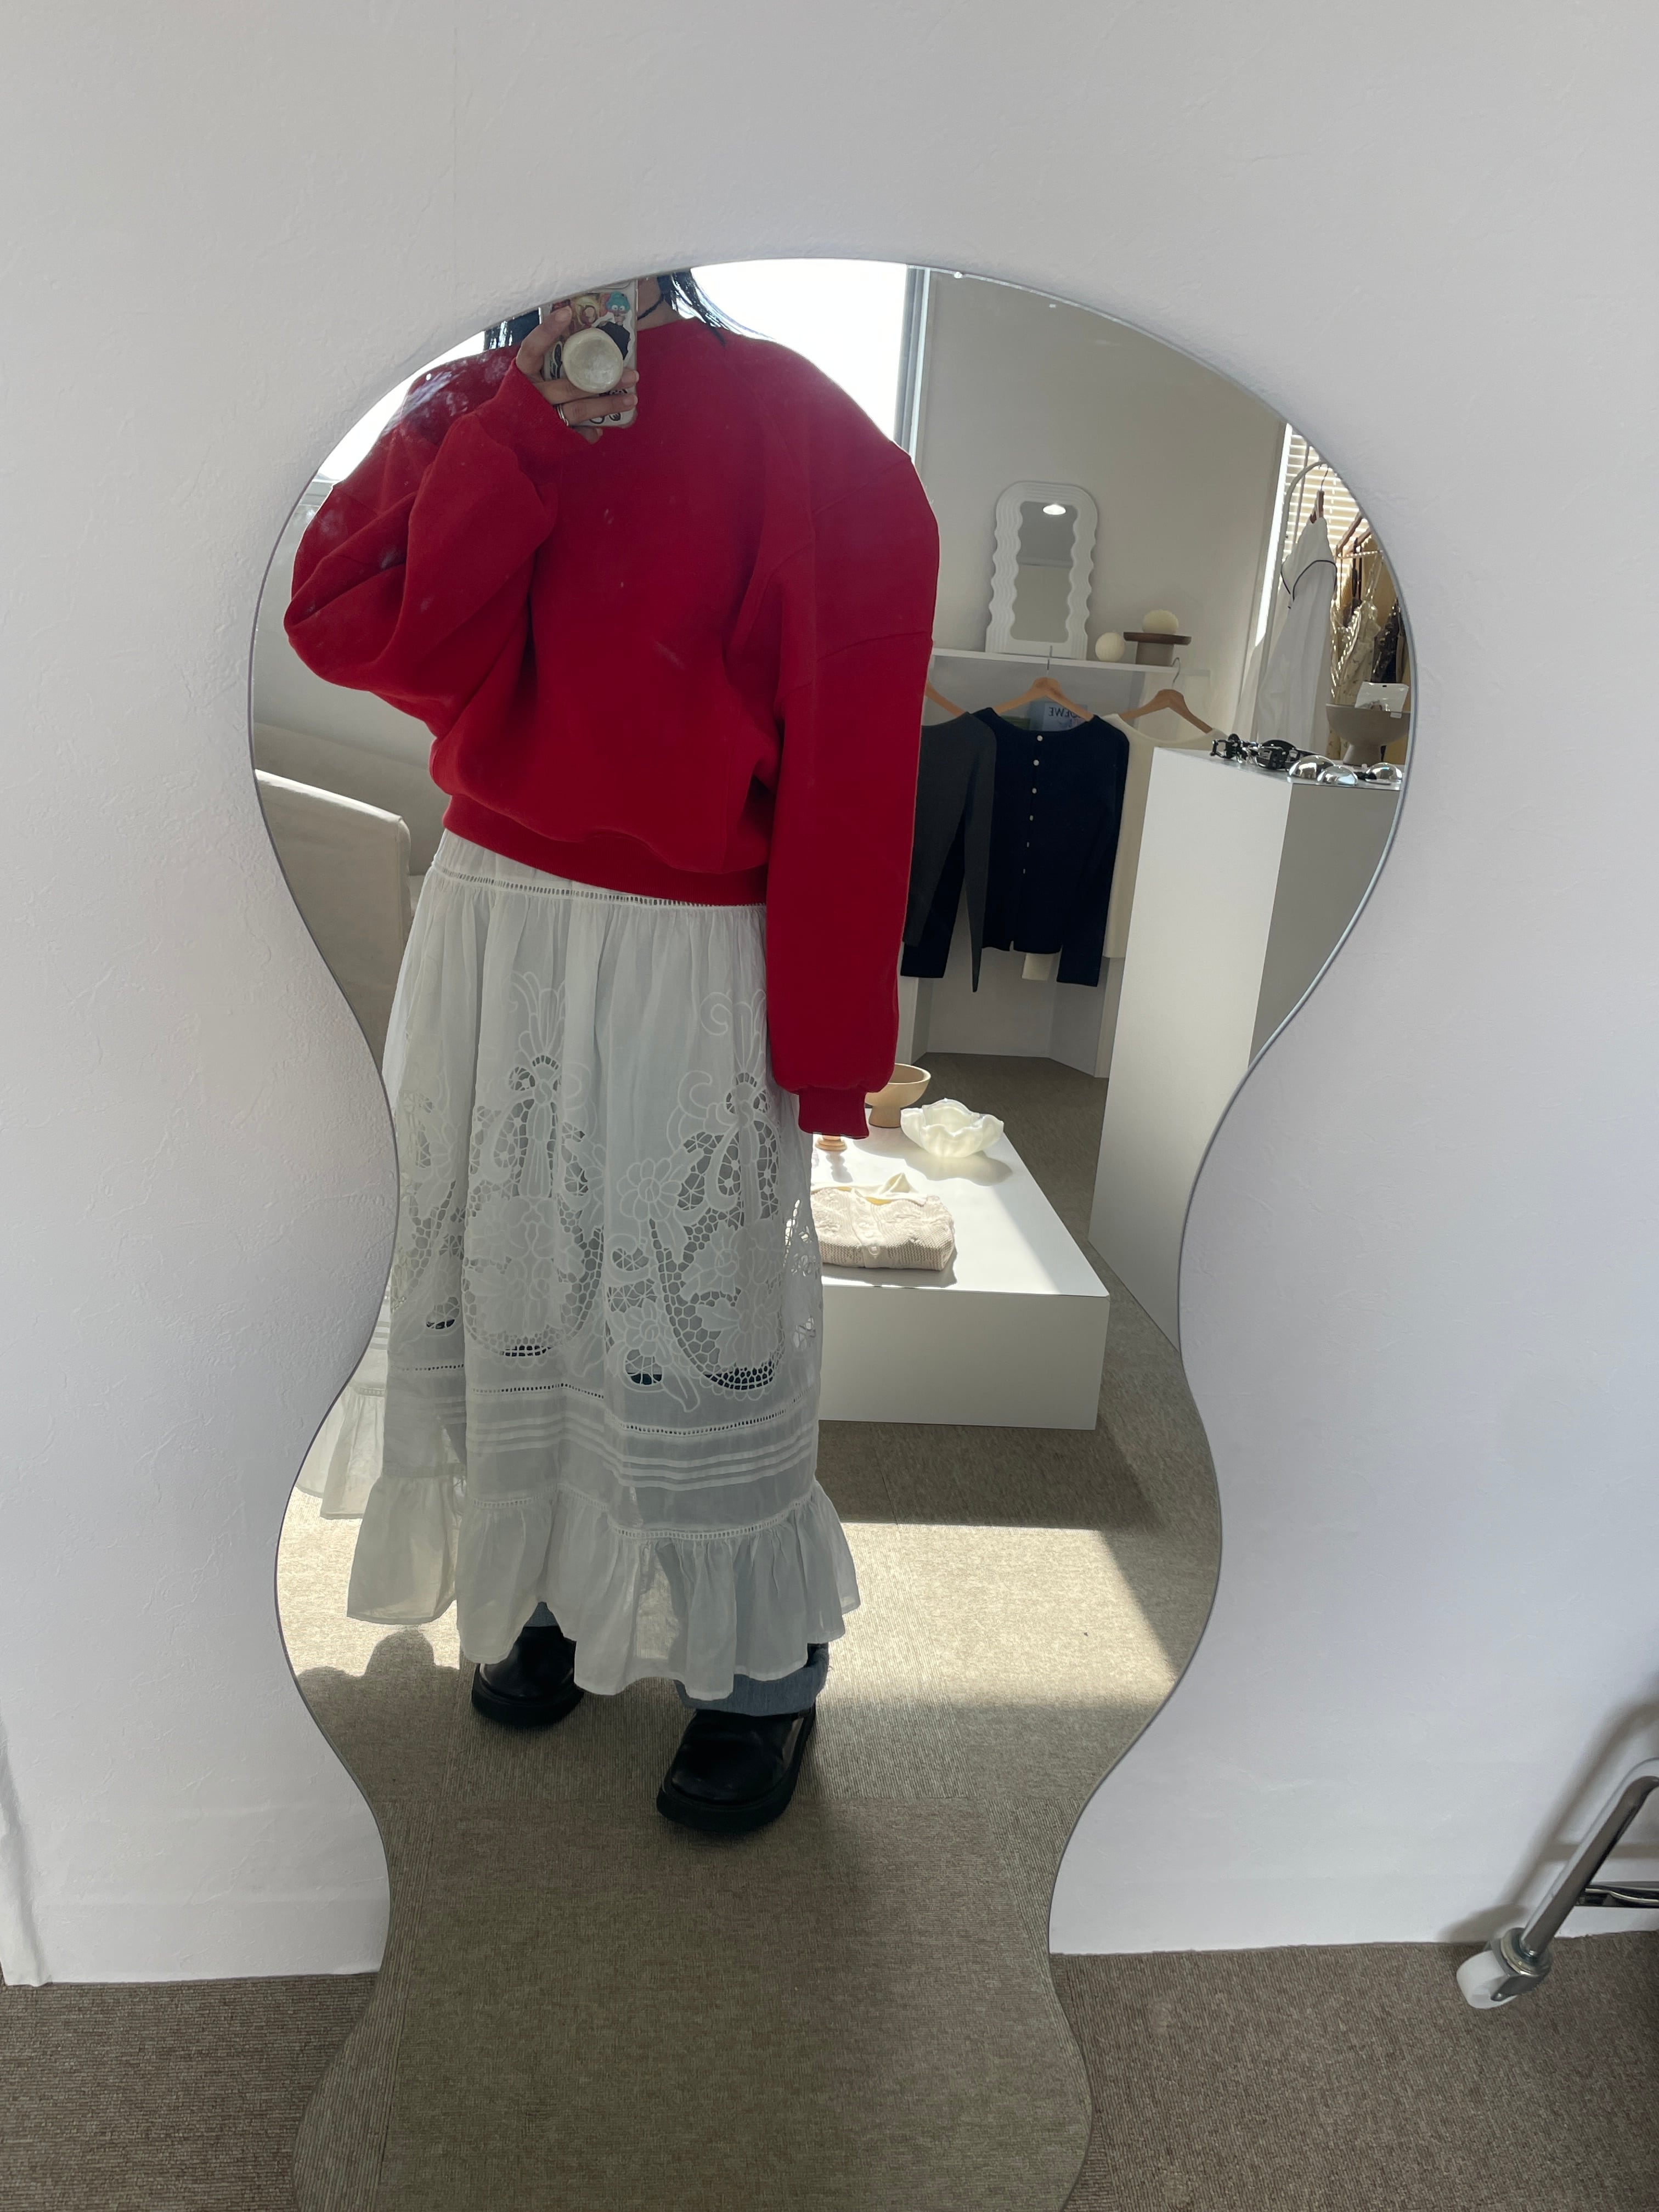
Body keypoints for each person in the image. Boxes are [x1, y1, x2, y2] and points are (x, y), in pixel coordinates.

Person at [285, 272, 939, 1834]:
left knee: (699, 1291)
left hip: (692, 943)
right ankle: (558, 1588)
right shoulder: (479, 404)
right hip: (494, 913)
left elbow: (855, 765)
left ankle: (763, 1673)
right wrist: (515, 429)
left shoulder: (803, 429)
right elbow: (344, 621)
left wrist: (833, 1043)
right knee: (520, 1269)